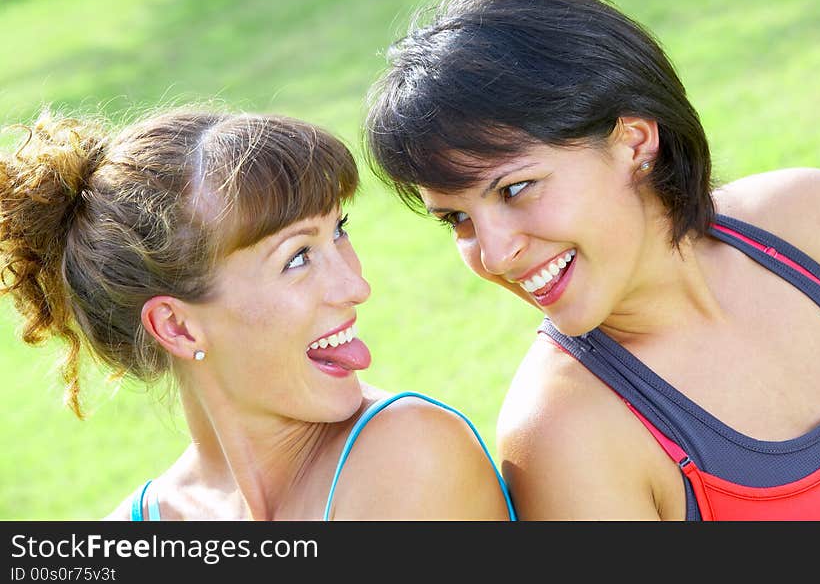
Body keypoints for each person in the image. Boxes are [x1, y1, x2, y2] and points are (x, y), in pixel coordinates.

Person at [364, 0, 820, 520]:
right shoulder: (568, 431)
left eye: (515, 189)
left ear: (633, 140)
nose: (495, 255)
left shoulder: (809, 219)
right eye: (457, 220)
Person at [0, 107, 516, 521]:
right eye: (297, 258)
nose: (356, 286)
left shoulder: (410, 457)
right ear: (176, 326)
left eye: (339, 230)